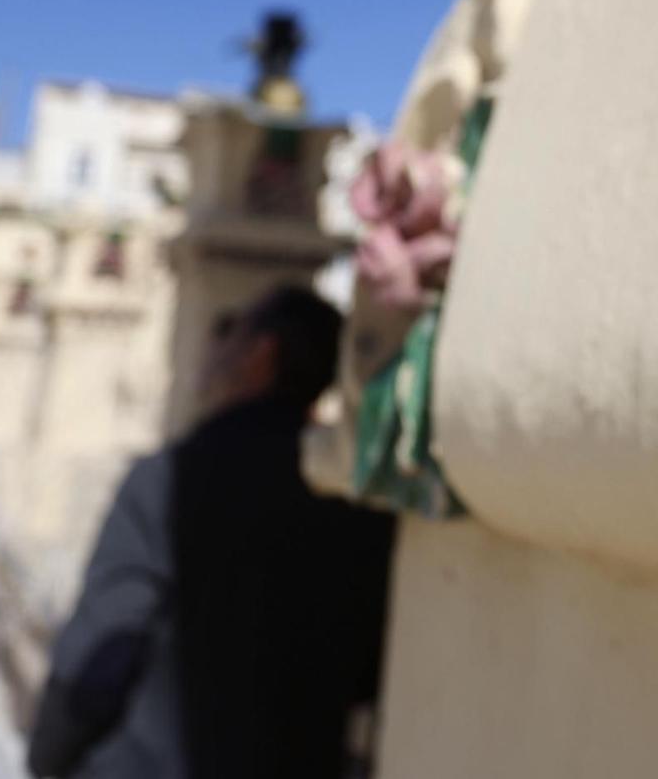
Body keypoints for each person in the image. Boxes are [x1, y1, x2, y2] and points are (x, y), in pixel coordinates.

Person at [27, 286, 396, 779]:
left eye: (229, 337)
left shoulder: (170, 479)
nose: (212, 353)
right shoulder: (357, 499)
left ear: (262, 356)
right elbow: (370, 669)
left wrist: (50, 757)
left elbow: (101, 649)